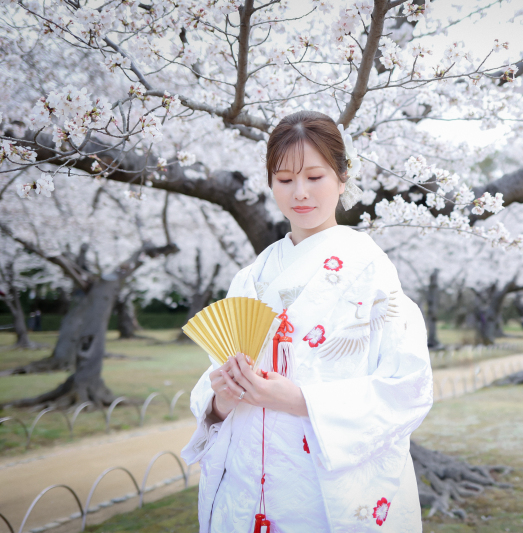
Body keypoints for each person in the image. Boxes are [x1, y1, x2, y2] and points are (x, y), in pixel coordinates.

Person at [181, 111, 433, 533]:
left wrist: (298, 400)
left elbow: (407, 388)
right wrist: (222, 397)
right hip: (244, 482)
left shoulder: (369, 270)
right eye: (284, 180)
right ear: (270, 183)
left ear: (342, 176)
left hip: (319, 489)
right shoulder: (250, 277)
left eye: (315, 177)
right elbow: (214, 378)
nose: (300, 193)